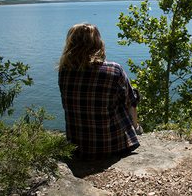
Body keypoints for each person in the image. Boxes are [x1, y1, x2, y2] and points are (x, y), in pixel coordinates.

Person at [58, 23, 141, 159]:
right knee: (131, 96)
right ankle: (137, 129)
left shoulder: (64, 71)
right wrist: (135, 127)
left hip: (78, 147)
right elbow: (130, 102)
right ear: (98, 43)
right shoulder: (114, 69)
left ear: (70, 44)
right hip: (113, 145)